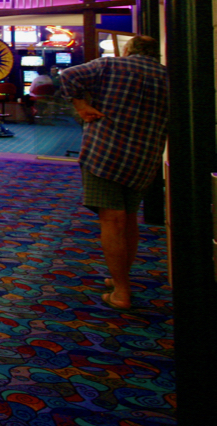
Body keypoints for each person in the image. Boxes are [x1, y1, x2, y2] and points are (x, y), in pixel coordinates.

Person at [59, 36, 168, 310]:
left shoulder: (111, 66)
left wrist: (81, 106)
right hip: (145, 157)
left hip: (105, 153)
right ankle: (121, 278)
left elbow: (68, 75)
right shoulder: (167, 76)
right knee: (129, 219)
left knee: (112, 220)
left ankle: (121, 291)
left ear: (128, 49)